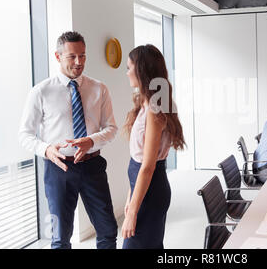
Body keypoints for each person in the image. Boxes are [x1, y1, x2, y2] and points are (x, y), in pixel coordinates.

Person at [19, 31, 118, 249]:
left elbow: (111, 128)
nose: (79, 62)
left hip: (93, 165)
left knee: (108, 230)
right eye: (72, 56)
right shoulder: (40, 92)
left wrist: (90, 141)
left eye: (82, 56)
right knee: (60, 238)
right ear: (57, 56)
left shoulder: (99, 88)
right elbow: (25, 134)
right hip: (59, 169)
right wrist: (46, 149)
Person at [122, 44, 185, 249]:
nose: (127, 72)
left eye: (130, 67)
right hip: (143, 186)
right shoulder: (147, 103)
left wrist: (132, 212)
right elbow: (138, 163)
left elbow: (147, 167)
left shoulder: (154, 108)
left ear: (142, 70)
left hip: (150, 189)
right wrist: (130, 198)